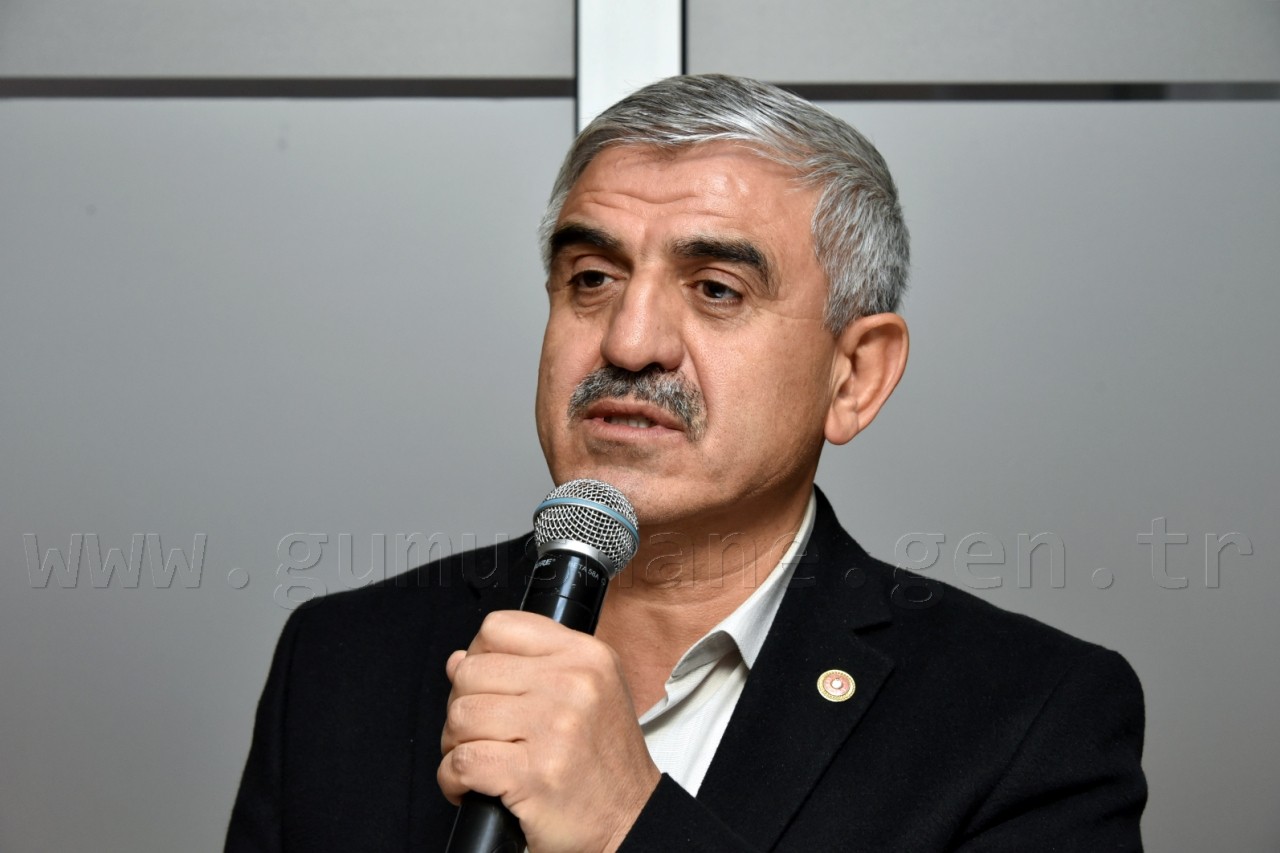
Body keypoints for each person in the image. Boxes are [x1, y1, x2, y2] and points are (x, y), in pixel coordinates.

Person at [226, 74, 1146, 852]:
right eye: (593, 279)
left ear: (855, 375)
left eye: (716, 289)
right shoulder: (343, 660)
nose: (630, 343)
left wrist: (629, 821)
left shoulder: (1028, 716)